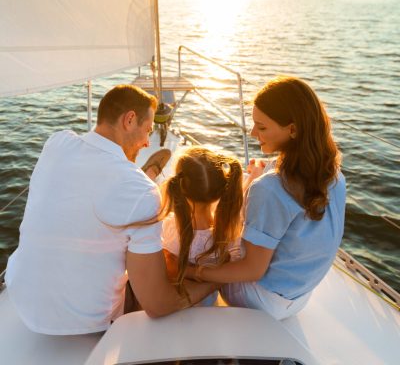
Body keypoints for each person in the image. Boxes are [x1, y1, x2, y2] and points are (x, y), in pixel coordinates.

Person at [5, 85, 216, 335]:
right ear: (129, 119)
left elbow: (93, 165)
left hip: (20, 296)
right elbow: (158, 304)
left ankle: (146, 172)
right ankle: (147, 174)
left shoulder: (57, 142)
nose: (148, 141)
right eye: (148, 130)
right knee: (147, 268)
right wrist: (214, 282)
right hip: (86, 322)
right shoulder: (142, 192)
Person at [187, 76, 346, 320]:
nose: (252, 133)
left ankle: (196, 316)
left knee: (200, 238)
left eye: (261, 127)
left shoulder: (270, 188)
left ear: (292, 129)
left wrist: (196, 271)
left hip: (260, 301)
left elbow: (252, 270)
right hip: (298, 297)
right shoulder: (333, 173)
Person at [159, 147, 244, 305]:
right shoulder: (228, 230)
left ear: (179, 186)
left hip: (179, 308)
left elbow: (169, 270)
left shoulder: (172, 227)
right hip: (209, 306)